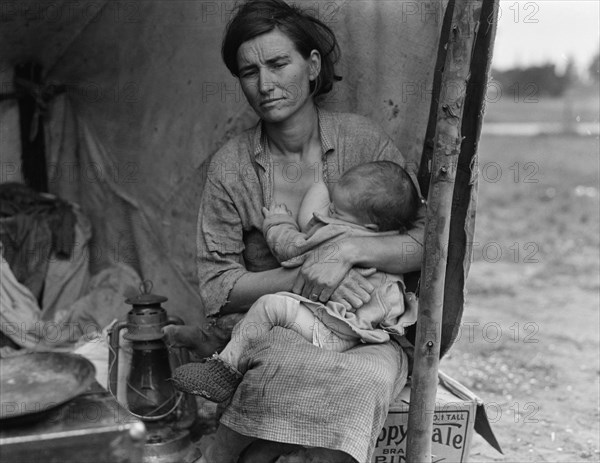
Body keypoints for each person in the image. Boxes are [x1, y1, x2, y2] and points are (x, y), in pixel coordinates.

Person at [163, 0, 425, 461]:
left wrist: (346, 254)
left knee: (362, 386)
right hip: (283, 327)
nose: (265, 84)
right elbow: (217, 288)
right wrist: (309, 277)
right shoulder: (232, 166)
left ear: (312, 65)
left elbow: (425, 243)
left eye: (278, 63)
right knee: (279, 371)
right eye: (249, 71)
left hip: (369, 332)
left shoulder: (363, 141)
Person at [173, 161, 421, 404]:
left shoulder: (338, 233)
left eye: (335, 211)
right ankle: (218, 346)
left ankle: (223, 371)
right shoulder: (388, 238)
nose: (327, 211)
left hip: (333, 331)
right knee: (265, 323)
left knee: (270, 307)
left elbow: (292, 248)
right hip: (361, 330)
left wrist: (278, 221)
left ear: (368, 225)